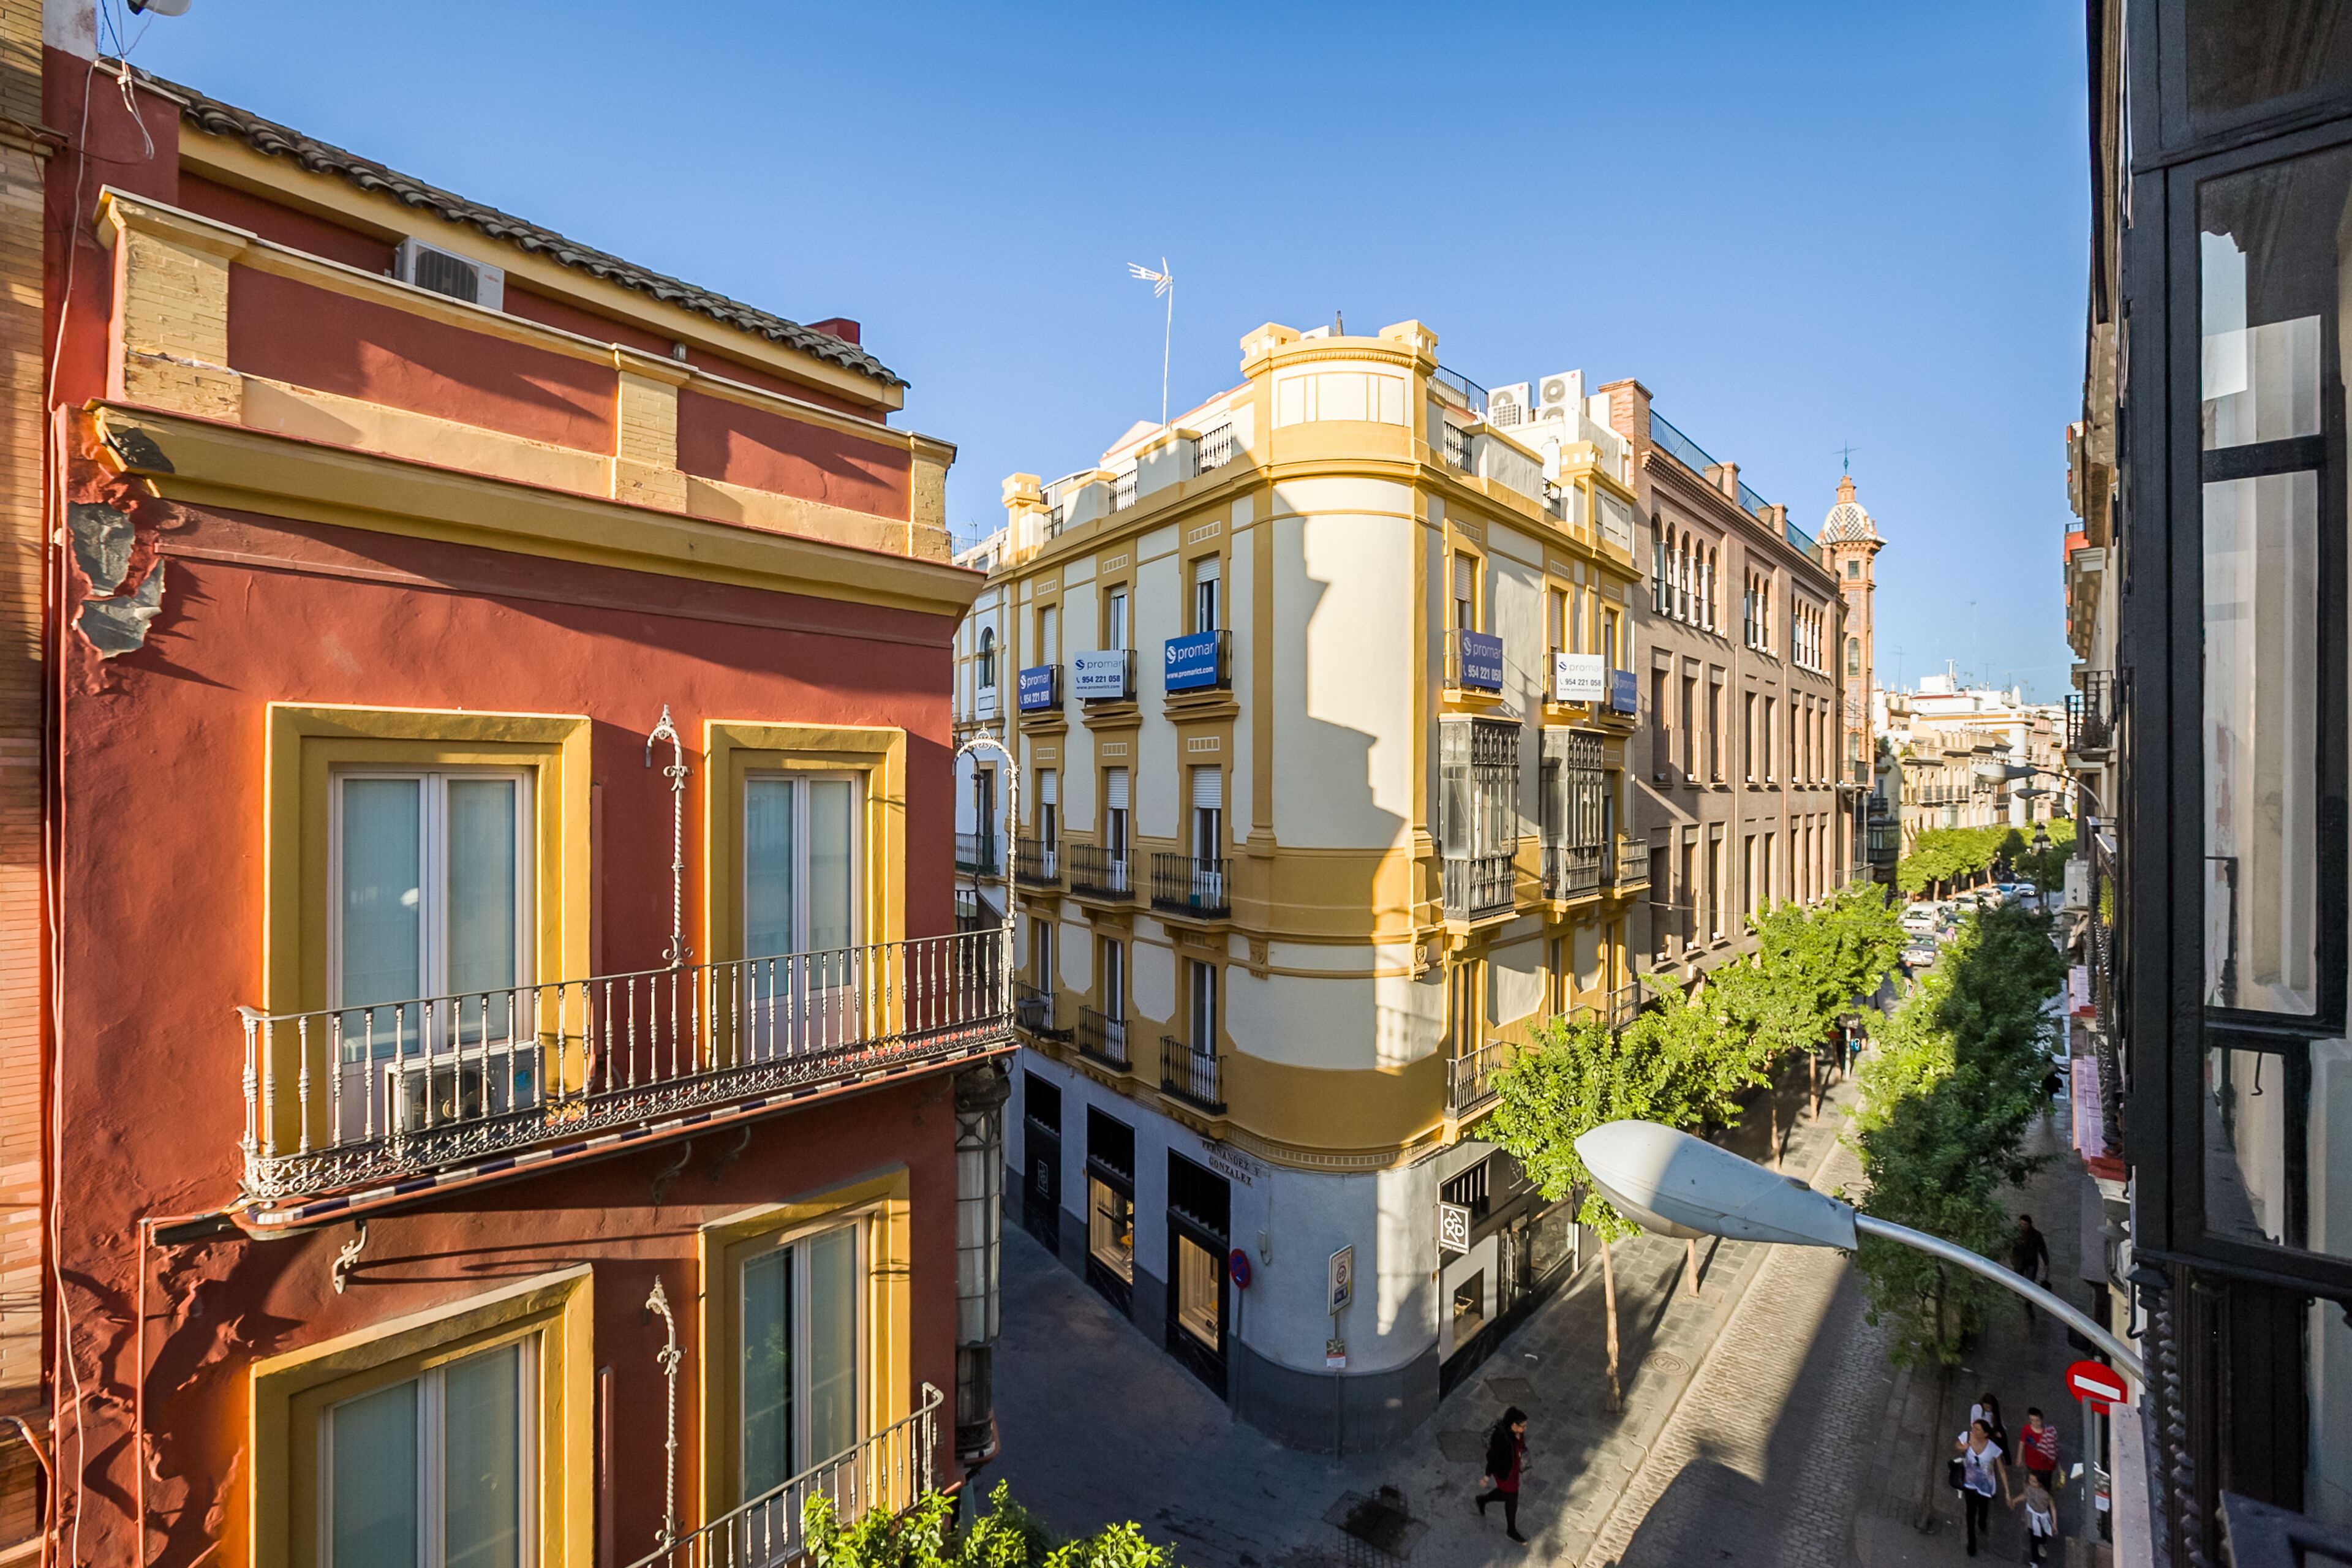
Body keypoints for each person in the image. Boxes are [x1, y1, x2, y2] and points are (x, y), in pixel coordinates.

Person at [1476, 1406, 1530, 1544]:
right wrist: (1486, 1477)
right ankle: (1511, 1530)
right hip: (1504, 1472)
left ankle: (1482, 1500)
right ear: (1514, 1425)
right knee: (1512, 1496)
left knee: (1506, 1494)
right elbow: (1493, 1458)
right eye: (1523, 1426)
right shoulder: (1501, 1438)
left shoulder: (1517, 1433)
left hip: (1513, 1469)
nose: (1525, 1429)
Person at [1954, 1419, 2008, 1557]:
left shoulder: (1992, 1448)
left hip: (1986, 1484)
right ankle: (1972, 1543)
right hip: (1970, 1481)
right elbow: (1957, 1445)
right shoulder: (1967, 1436)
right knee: (1970, 1513)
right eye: (1973, 1428)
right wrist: (1963, 1448)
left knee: (1983, 1507)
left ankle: (1983, 1521)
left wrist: (2007, 1492)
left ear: (1985, 1434)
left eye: (1977, 1429)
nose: (1974, 1431)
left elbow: (2001, 1470)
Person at [2011, 1215, 2051, 1322]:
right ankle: (2018, 1291)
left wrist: (2046, 1263)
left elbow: (2043, 1249)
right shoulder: (2016, 1233)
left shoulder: (2036, 1235)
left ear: (2030, 1224)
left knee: (2030, 1282)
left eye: (2025, 1224)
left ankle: (2028, 1301)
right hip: (2019, 1261)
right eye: (2021, 1224)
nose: (2023, 1226)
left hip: (2031, 1262)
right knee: (2018, 1278)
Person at [2015, 1467, 2059, 1564]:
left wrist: (2054, 1523)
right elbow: (2025, 1495)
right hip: (2032, 1516)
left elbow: (2052, 1508)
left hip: (2043, 1516)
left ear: (2040, 1482)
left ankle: (2042, 1543)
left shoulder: (2046, 1494)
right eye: (2030, 1480)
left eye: (2034, 1481)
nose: (2031, 1483)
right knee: (2033, 1540)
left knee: (2042, 1534)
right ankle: (2035, 1562)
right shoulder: (2028, 1488)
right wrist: (2015, 1501)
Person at [2016, 1406, 2059, 1495]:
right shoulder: (2026, 1430)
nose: (2035, 1423)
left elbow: (2054, 1448)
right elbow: (2022, 1443)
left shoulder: (2049, 1432)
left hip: (2046, 1467)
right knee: (2030, 1484)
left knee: (2045, 1487)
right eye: (2032, 1420)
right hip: (2031, 1465)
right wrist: (2019, 1457)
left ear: (2042, 1419)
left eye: (2037, 1420)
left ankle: (2046, 1504)